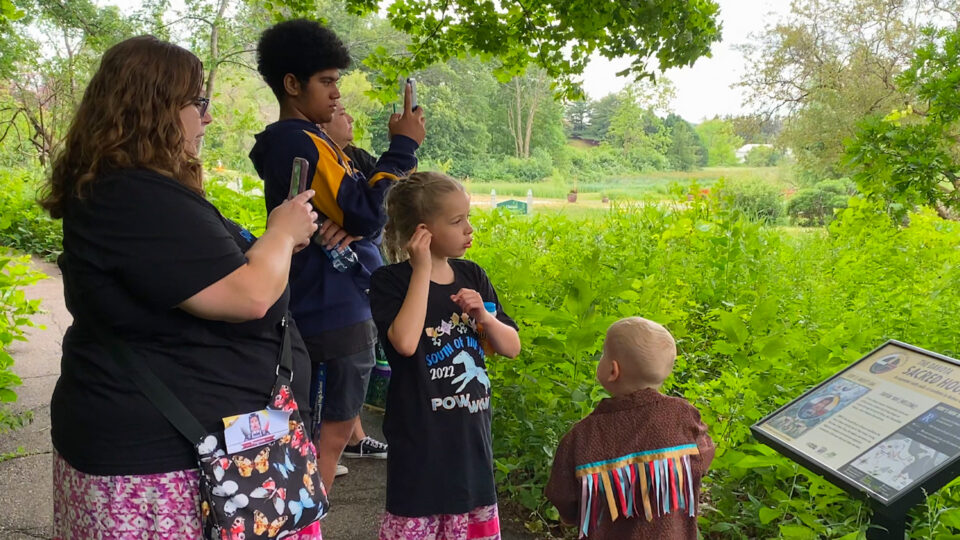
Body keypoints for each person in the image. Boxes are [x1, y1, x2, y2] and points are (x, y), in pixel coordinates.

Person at [41, 36, 322, 539]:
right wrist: (281, 233)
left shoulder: (128, 188)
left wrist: (272, 249)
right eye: (198, 103)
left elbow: (213, 273)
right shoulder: (134, 195)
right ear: (153, 107)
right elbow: (248, 296)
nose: (207, 118)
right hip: (164, 466)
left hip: (201, 451)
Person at [249, 19, 424, 491]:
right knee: (330, 431)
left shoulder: (309, 141)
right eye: (326, 81)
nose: (335, 93)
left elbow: (360, 213)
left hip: (327, 300)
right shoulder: (299, 141)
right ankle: (310, 519)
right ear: (292, 84)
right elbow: (368, 214)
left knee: (317, 425)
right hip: (333, 305)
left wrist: (357, 223)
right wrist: (404, 147)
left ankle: (304, 513)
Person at [369, 172, 521, 540]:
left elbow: (510, 346)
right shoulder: (390, 281)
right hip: (420, 447)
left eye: (467, 217)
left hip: (471, 444)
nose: (469, 229)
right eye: (457, 221)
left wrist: (484, 317)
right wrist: (421, 268)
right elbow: (404, 343)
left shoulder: (472, 275)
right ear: (424, 231)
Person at [545, 317, 715, 539]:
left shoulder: (581, 437)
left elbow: (564, 498)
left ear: (613, 370)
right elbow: (703, 456)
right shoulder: (683, 416)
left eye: (604, 353)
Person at [318, 101, 388, 460]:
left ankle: (354, 437)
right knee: (342, 371)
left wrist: (358, 229)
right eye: (341, 111)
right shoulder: (318, 160)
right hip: (336, 294)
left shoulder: (356, 158)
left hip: (361, 279)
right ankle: (339, 443)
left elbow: (383, 205)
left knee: (352, 372)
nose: (350, 116)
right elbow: (366, 213)